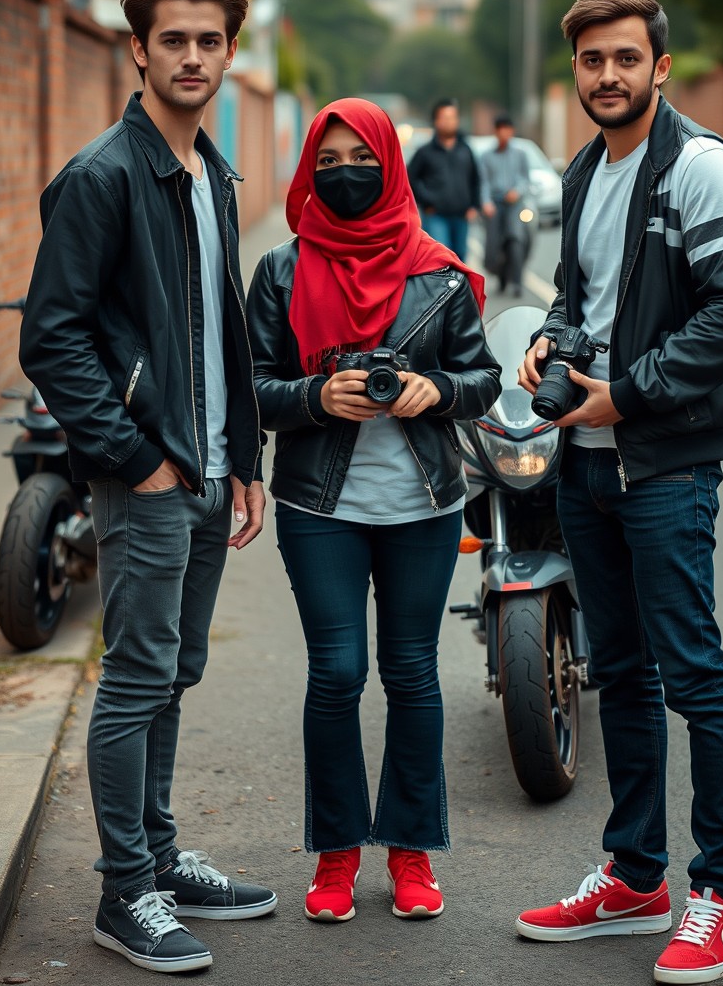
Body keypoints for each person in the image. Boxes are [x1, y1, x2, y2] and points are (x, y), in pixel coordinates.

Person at [20, 0, 277, 974]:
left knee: (176, 667)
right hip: (152, 472)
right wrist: (137, 459)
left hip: (209, 468)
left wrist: (243, 456)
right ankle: (124, 890)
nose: (192, 55)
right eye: (172, 37)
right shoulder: (103, 176)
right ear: (136, 48)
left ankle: (161, 856)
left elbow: (220, 332)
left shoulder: (208, 169)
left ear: (227, 52)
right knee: (134, 678)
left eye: (209, 40)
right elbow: (54, 338)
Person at [516, 0, 723, 984]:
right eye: (591, 61)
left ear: (660, 66)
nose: (608, 75)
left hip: (662, 460)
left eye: (626, 58)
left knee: (693, 674)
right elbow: (586, 295)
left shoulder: (700, 168)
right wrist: (553, 334)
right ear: (575, 72)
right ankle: (633, 877)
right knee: (617, 672)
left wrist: (629, 393)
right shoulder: (584, 172)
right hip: (584, 464)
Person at [247, 97, 501, 925]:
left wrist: (437, 391)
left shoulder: (439, 272)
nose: (343, 172)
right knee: (338, 674)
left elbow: (485, 378)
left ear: (390, 162)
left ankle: (411, 850)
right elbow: (251, 391)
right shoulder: (281, 271)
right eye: (327, 161)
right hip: (319, 506)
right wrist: (319, 396)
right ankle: (336, 853)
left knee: (412, 673)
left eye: (360, 157)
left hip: (423, 503)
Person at [407, 97, 486, 260]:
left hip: (462, 215)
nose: (449, 122)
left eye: (452, 118)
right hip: (436, 215)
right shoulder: (425, 152)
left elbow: (475, 178)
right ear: (436, 121)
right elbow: (410, 179)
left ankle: (458, 286)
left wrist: (474, 205)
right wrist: (426, 200)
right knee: (440, 256)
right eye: (444, 118)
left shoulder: (465, 150)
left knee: (460, 256)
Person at [478, 113, 532, 295]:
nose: (504, 134)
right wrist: (486, 203)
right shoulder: (486, 156)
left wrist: (517, 191)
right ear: (496, 132)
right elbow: (483, 182)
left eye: (507, 130)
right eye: (500, 130)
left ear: (512, 131)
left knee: (516, 238)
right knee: (493, 244)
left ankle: (517, 282)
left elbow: (526, 179)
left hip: (515, 204)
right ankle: (499, 274)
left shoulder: (520, 154)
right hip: (494, 204)